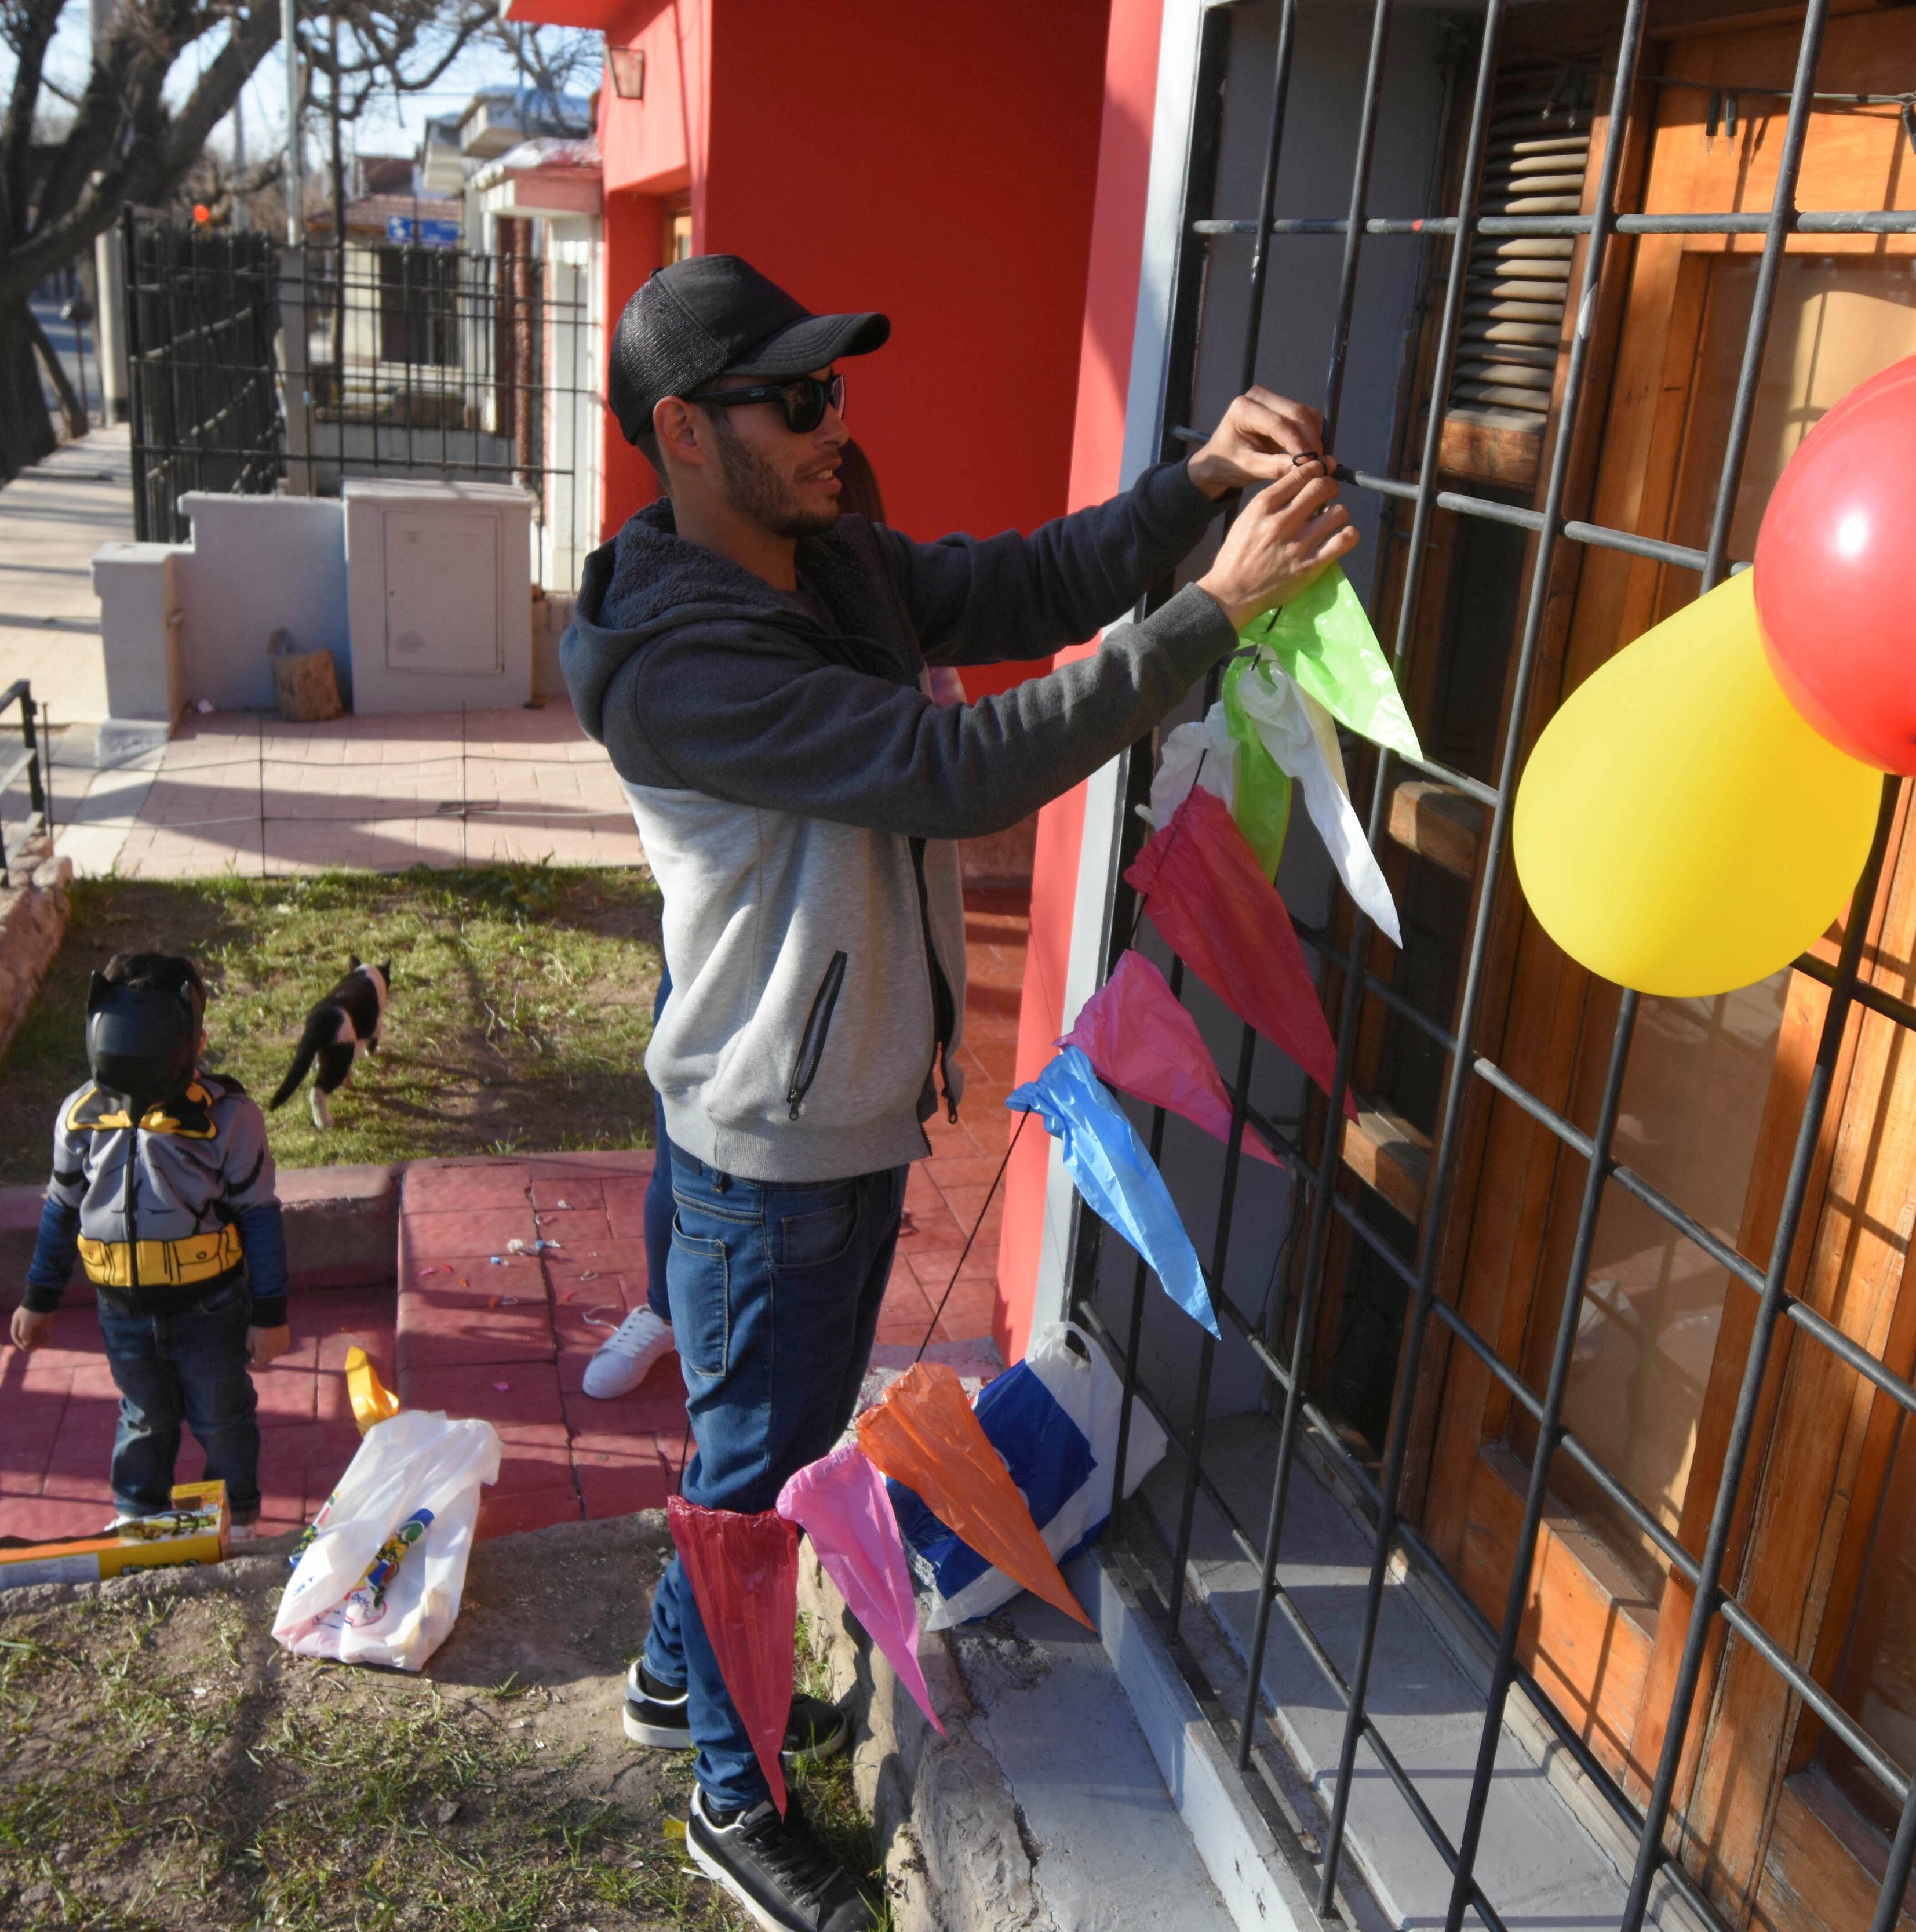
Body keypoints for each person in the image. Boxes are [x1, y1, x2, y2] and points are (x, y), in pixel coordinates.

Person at [562, 252, 1354, 1932]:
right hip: (766, 1144)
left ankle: (670, 1671)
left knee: (751, 1437)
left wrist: (1185, 488)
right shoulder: (684, 663)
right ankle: (731, 1790)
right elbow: (958, 766)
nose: (835, 419)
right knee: (761, 1456)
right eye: (797, 399)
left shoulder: (821, 553)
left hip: (818, 1108)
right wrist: (1208, 606)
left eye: (836, 384)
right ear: (688, 434)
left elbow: (1010, 586)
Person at [581, 439, 892, 1408]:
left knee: (818, 1262)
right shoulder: (713, 652)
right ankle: (670, 1303)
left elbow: (943, 774)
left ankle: (775, 1346)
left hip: (835, 987)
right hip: (729, 950)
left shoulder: (876, 630)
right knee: (687, 1139)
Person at [11, 952, 293, 1533]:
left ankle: (236, 1519)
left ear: (194, 1040)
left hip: (208, 1307)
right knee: (144, 1416)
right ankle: (137, 1518)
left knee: (221, 1417)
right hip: (122, 1310)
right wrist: (38, 1297)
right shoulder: (79, 1117)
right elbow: (62, 1209)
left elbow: (259, 1216)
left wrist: (270, 1313)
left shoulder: (228, 1117)